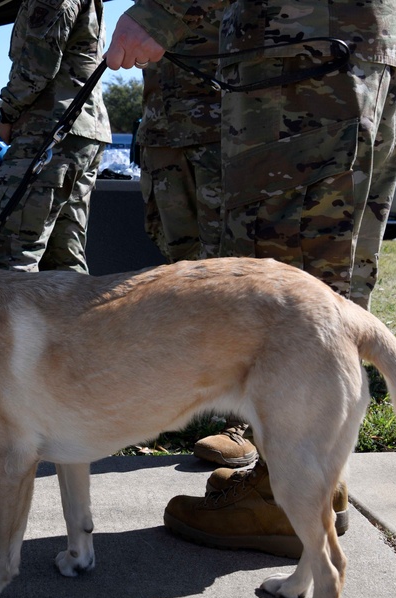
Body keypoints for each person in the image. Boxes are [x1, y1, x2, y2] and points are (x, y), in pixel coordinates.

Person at [106, 0, 396, 557]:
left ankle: (279, 499)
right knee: (331, 280)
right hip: (346, 41)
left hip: (298, 39)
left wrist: (162, 9)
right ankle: (316, 479)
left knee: (283, 284)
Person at [134, 0, 257, 471]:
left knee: (226, 273)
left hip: (218, 131)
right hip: (164, 133)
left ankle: (239, 419)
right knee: (178, 273)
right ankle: (187, 400)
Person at [0, 0, 111, 273]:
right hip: (78, 130)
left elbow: (38, 65)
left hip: (50, 132)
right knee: (64, 263)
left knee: (10, 260)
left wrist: (8, 113)